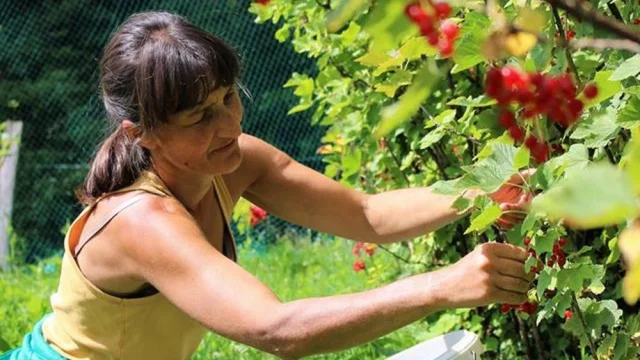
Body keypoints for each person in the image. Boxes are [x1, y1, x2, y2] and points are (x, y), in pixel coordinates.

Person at [1, 11, 534, 360]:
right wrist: (441, 285)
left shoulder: (233, 161)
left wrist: (478, 192)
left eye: (228, 99)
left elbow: (368, 214)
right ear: (142, 134)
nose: (230, 126)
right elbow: (275, 329)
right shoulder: (141, 221)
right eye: (199, 117)